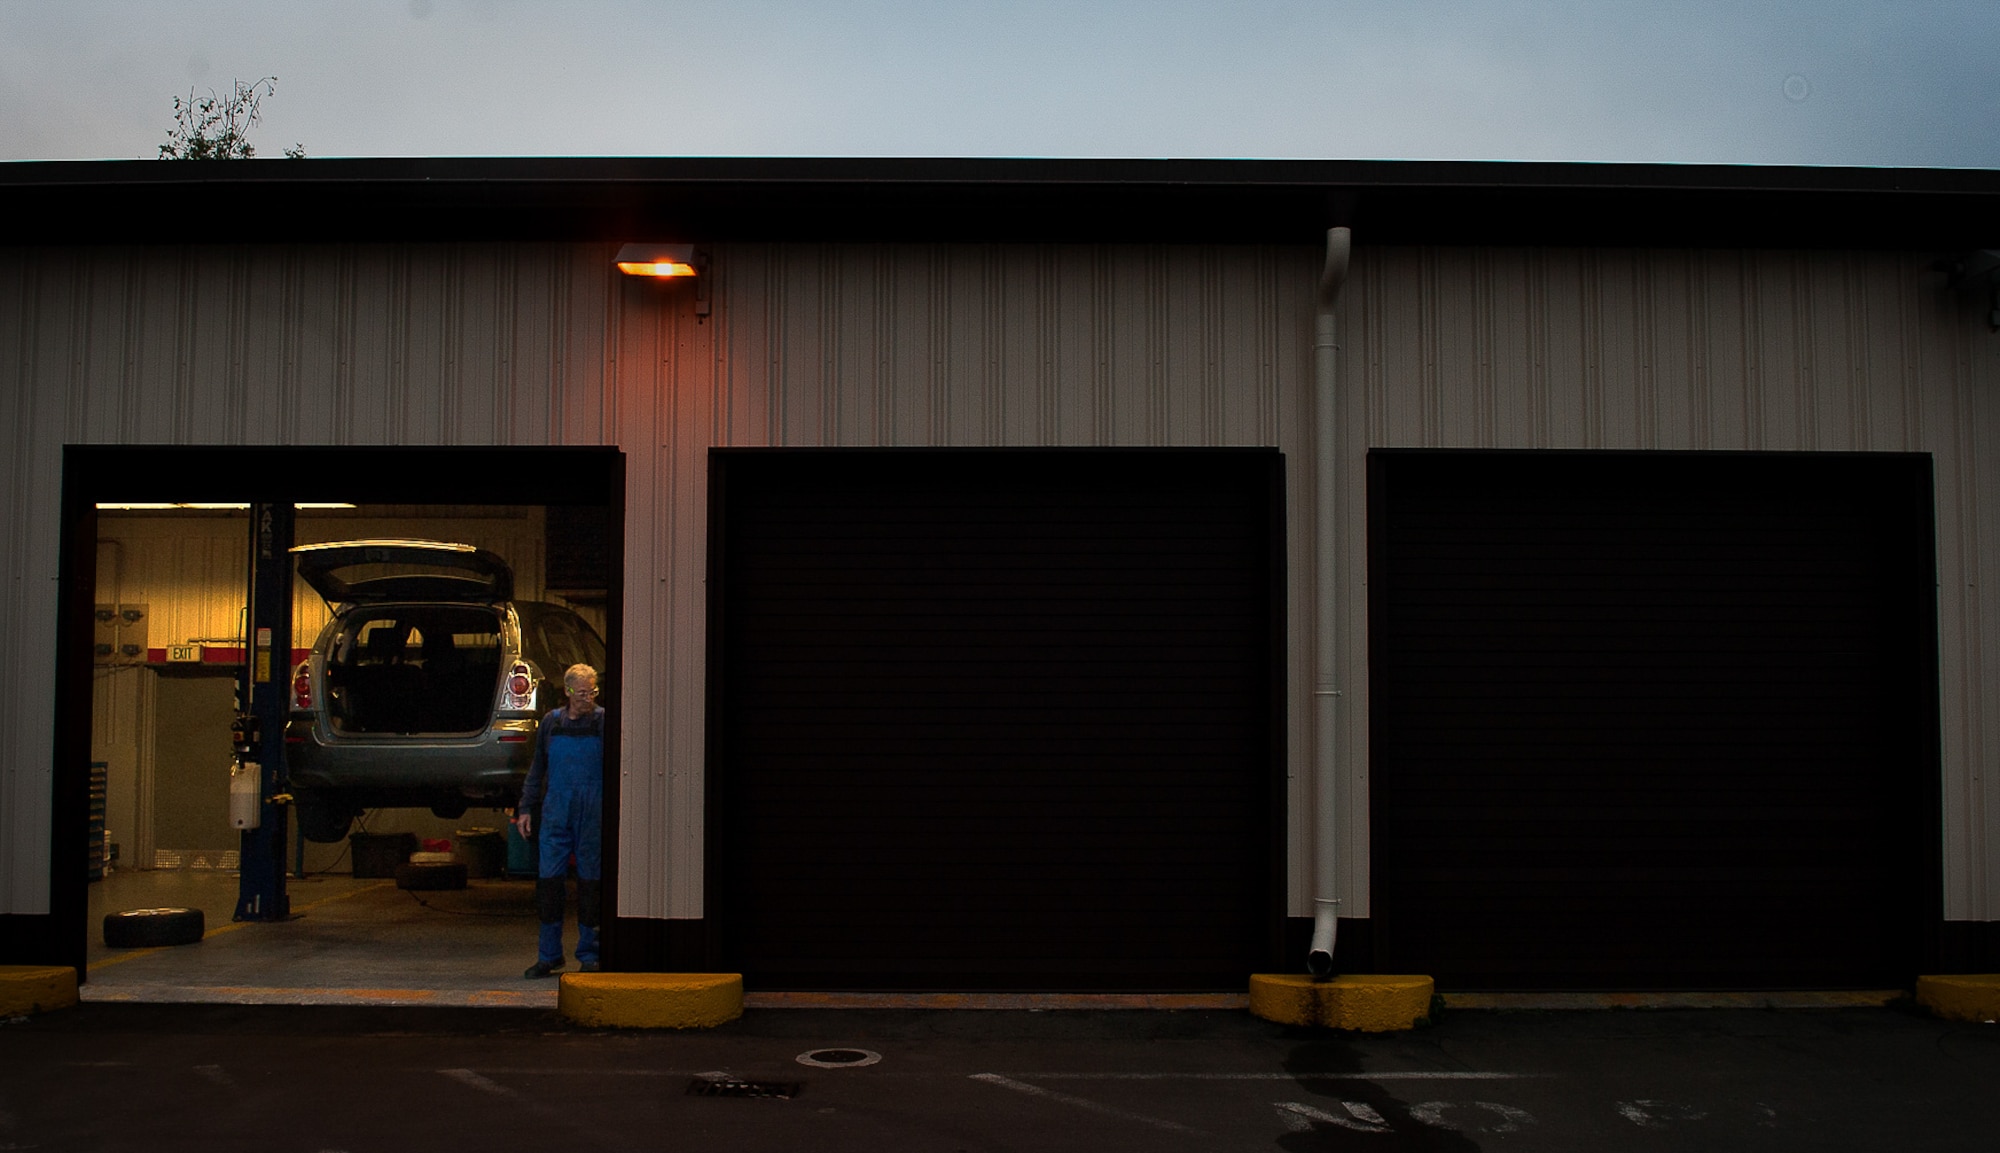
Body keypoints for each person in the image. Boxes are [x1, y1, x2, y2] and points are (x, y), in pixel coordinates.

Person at [514, 663, 605, 978]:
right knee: (549, 884)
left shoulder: (604, 722)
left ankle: (590, 954)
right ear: (567, 691)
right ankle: (549, 955)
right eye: (582, 693)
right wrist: (525, 807)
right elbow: (537, 768)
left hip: (593, 813)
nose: (588, 699)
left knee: (591, 883)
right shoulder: (551, 724)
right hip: (556, 813)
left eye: (592, 692)